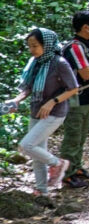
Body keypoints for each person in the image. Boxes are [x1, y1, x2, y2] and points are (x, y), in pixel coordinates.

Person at [4, 29, 79, 193]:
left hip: (54, 112)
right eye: (30, 46)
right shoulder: (35, 62)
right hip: (36, 111)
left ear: (47, 45)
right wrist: (15, 101)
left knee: (26, 146)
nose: (32, 50)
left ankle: (58, 164)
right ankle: (42, 191)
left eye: (35, 46)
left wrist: (53, 102)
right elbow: (28, 88)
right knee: (38, 153)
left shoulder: (60, 63)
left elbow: (73, 88)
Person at [60, 11, 89, 188]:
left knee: (81, 136)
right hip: (75, 99)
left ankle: (77, 167)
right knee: (72, 137)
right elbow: (86, 73)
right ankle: (66, 174)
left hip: (88, 97)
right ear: (86, 27)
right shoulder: (74, 47)